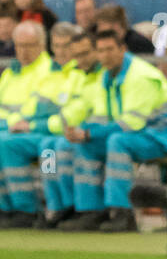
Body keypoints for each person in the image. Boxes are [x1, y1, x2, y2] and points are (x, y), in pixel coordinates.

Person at [58, 27, 167, 232]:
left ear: (123, 49)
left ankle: (122, 212)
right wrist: (78, 131)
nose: (104, 55)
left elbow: (132, 123)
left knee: (114, 142)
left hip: (164, 135)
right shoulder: (103, 76)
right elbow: (99, 115)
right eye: (101, 51)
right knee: (61, 146)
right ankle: (85, 210)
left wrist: (86, 132)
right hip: (135, 135)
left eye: (109, 49)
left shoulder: (139, 75)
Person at [0, 26, 99, 228]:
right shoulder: (52, 75)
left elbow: (74, 113)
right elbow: (31, 109)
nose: (61, 51)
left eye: (66, 46)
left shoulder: (80, 73)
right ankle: (53, 207)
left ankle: (59, 207)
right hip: (46, 133)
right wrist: (25, 122)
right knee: (45, 149)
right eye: (57, 46)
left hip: (65, 133)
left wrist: (36, 124)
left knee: (48, 151)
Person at [0, 22, 55, 225]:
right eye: (19, 45)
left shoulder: (49, 71)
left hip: (40, 131)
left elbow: (32, 113)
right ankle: (5, 207)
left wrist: (10, 123)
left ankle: (26, 209)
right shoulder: (10, 74)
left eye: (29, 45)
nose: (24, 51)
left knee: (5, 143)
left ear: (41, 44)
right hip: (11, 130)